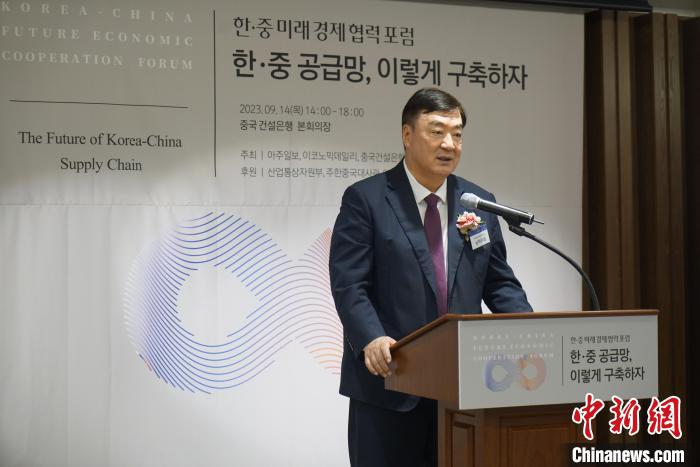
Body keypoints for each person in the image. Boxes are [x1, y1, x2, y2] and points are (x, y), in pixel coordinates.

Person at [329, 87, 532, 467]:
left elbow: (498, 283)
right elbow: (350, 284)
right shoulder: (367, 199)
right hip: (390, 382)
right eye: (437, 132)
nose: (449, 144)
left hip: (462, 387)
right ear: (407, 135)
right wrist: (371, 337)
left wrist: (531, 334)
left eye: (457, 134)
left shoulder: (478, 202)